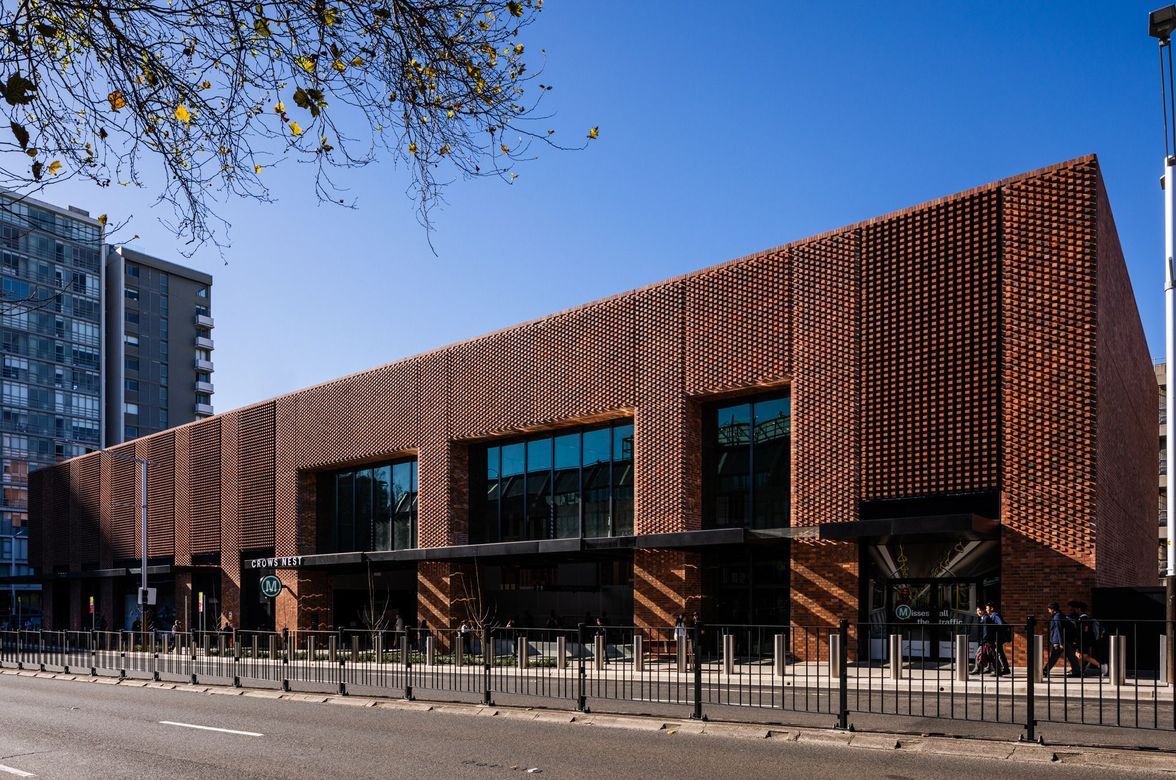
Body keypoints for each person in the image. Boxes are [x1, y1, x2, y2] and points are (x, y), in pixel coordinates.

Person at [1042, 601, 1080, 677]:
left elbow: (1059, 629)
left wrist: (1060, 642)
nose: (1048, 611)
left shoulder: (1057, 616)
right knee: (1071, 656)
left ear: (1052, 609)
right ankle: (1076, 671)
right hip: (1065, 640)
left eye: (1049, 609)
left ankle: (1045, 671)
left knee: (1054, 656)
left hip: (1060, 640)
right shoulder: (1060, 615)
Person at [1071, 601, 1105, 677]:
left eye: (1076, 609)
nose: (1075, 610)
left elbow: (1085, 630)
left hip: (1084, 640)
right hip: (1084, 640)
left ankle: (1101, 666)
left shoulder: (1084, 618)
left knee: (1084, 656)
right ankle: (1080, 670)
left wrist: (1078, 638)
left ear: (1079, 609)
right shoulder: (1083, 617)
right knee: (1078, 655)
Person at [984, 601, 1010, 676]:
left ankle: (1004, 669)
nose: (986, 609)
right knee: (999, 652)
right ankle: (1005, 668)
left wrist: (996, 633)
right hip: (997, 638)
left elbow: (1000, 624)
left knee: (998, 653)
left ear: (991, 608)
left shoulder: (995, 615)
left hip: (997, 638)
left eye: (987, 608)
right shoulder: (993, 615)